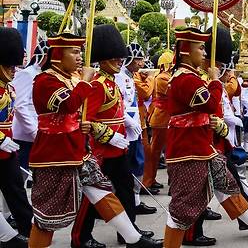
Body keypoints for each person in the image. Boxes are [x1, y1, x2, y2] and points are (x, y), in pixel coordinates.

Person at [162, 27, 248, 248]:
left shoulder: (192, 77)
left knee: (228, 187)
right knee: (182, 207)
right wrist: (215, 80)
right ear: (186, 50)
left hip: (202, 148)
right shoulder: (185, 79)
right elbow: (211, 104)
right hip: (189, 151)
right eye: (200, 48)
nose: (204, 53)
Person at [28, 32, 159, 248]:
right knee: (46, 213)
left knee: (102, 191)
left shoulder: (71, 79)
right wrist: (85, 81)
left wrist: (84, 124)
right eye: (75, 52)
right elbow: (68, 105)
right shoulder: (45, 80)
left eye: (80, 52)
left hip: (77, 150)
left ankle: (133, 239)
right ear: (58, 55)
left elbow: (77, 114)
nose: (80, 57)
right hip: (55, 154)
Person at [72, 25, 158, 248]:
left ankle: (129, 232)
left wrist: (126, 128)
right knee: (94, 196)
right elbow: (85, 121)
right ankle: (81, 237)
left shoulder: (111, 82)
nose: (121, 60)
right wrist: (109, 136)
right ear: (102, 58)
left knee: (126, 189)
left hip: (119, 147)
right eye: (115, 57)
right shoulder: (97, 85)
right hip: (101, 151)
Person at [116, 43, 157, 216]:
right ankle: (123, 203)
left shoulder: (130, 76)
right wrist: (128, 122)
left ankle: (136, 200)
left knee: (138, 164)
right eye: (138, 59)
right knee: (127, 168)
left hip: (135, 126)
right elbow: (119, 103)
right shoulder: (119, 77)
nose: (141, 63)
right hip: (125, 127)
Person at [0, 27, 32, 247]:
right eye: (10, 66)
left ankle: (27, 231)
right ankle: (7, 237)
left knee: (17, 193)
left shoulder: (8, 87)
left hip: (6, 151)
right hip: (3, 144)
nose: (14, 70)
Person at [11, 38, 48, 176]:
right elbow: (20, 106)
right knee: (19, 177)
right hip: (25, 136)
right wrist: (34, 131)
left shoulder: (45, 75)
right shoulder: (28, 74)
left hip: (41, 134)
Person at [142, 51, 173, 193]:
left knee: (170, 152)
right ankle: (148, 180)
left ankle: (169, 180)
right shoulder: (162, 78)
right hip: (161, 118)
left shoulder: (167, 76)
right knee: (155, 152)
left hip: (168, 117)